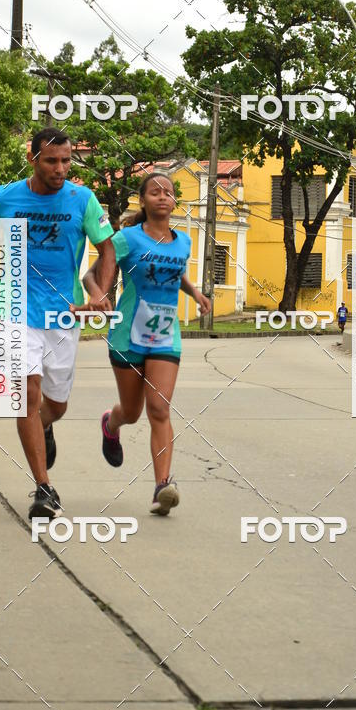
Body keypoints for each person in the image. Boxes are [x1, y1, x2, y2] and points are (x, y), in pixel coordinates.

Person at [0, 128, 116, 520]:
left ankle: (45, 427)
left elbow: (107, 249)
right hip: (14, 307)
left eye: (66, 161)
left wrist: (100, 293)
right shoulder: (5, 198)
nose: (60, 169)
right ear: (33, 160)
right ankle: (44, 488)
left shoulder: (83, 200)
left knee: (55, 405)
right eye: (51, 161)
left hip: (62, 314)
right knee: (26, 394)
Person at [81, 172, 211, 516]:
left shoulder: (183, 241)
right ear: (144, 200)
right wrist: (98, 296)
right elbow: (91, 275)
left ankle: (162, 487)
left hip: (166, 338)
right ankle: (111, 424)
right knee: (132, 411)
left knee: (159, 409)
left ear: (174, 202)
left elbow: (176, 271)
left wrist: (194, 292)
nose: (163, 197)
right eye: (155, 192)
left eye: (168, 193)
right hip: (127, 335)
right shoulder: (126, 239)